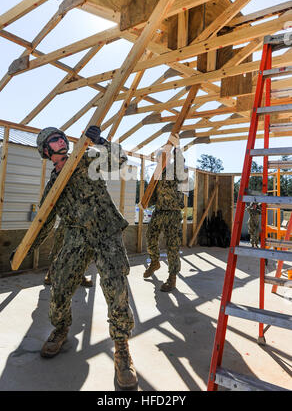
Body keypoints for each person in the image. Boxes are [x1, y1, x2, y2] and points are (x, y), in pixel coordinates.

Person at [11, 126, 137, 389]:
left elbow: (120, 160)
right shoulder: (52, 186)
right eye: (54, 140)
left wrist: (101, 141)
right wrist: (23, 250)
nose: (61, 141)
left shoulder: (87, 159)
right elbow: (43, 223)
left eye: (61, 137)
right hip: (75, 237)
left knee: (116, 288)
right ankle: (60, 329)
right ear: (46, 151)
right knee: (59, 287)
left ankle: (122, 349)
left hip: (106, 231)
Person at [144, 144, 188, 292]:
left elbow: (180, 161)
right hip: (159, 211)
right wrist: (145, 201)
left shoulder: (175, 170)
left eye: (162, 158)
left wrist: (176, 146)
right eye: (158, 159)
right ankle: (155, 261)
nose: (159, 161)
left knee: (172, 245)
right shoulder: (157, 174)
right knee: (150, 236)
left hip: (173, 213)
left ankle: (172, 277)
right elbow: (153, 194)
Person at [44, 221, 93, 288]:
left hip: (81, 221)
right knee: (58, 246)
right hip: (66, 219)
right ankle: (51, 274)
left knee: (80, 248)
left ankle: (79, 275)